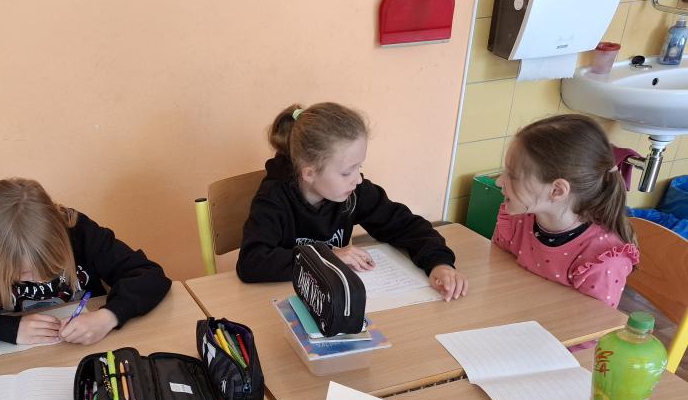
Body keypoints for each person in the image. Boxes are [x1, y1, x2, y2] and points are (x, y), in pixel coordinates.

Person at [237, 102, 466, 301]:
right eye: (347, 172)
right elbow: (252, 262)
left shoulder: (354, 192)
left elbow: (406, 225)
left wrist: (439, 263)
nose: (358, 179)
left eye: (359, 167)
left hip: (337, 299)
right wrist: (328, 256)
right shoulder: (274, 198)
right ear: (309, 173)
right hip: (285, 300)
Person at [0, 177, 171, 347]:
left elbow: (148, 275)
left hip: (87, 354)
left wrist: (108, 316)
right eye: (23, 273)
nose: (38, 278)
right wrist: (5, 328)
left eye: (50, 265)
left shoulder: (79, 233)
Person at [494, 114, 639, 308]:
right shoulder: (516, 221)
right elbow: (496, 273)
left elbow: (592, 325)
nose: (499, 182)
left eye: (512, 175)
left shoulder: (602, 261)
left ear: (557, 191)